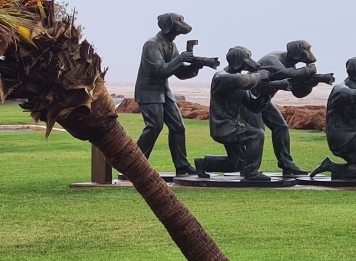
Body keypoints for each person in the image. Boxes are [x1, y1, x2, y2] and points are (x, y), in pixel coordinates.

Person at [134, 12, 218, 175]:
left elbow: (179, 73)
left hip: (163, 92)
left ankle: (182, 165)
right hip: (149, 91)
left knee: (178, 126)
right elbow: (160, 71)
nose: (183, 24)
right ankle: (135, 164)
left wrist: (196, 66)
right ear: (168, 25)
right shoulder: (152, 44)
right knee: (154, 126)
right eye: (178, 21)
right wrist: (180, 59)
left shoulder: (171, 45)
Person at [240, 40, 335, 177]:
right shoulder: (272, 59)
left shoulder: (292, 65)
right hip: (248, 99)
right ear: (296, 53)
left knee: (281, 127)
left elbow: (298, 92)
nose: (310, 55)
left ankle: (287, 165)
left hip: (263, 99)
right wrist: (307, 71)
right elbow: (287, 74)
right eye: (306, 51)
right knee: (257, 132)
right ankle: (250, 170)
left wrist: (313, 81)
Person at [207, 47, 290, 182]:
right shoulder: (221, 77)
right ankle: (251, 172)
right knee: (256, 135)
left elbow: (254, 106)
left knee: (238, 163)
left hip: (231, 126)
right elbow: (240, 80)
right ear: (236, 61)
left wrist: (266, 92)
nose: (250, 61)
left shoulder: (238, 82)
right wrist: (259, 76)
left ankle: (204, 163)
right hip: (222, 128)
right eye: (246, 58)